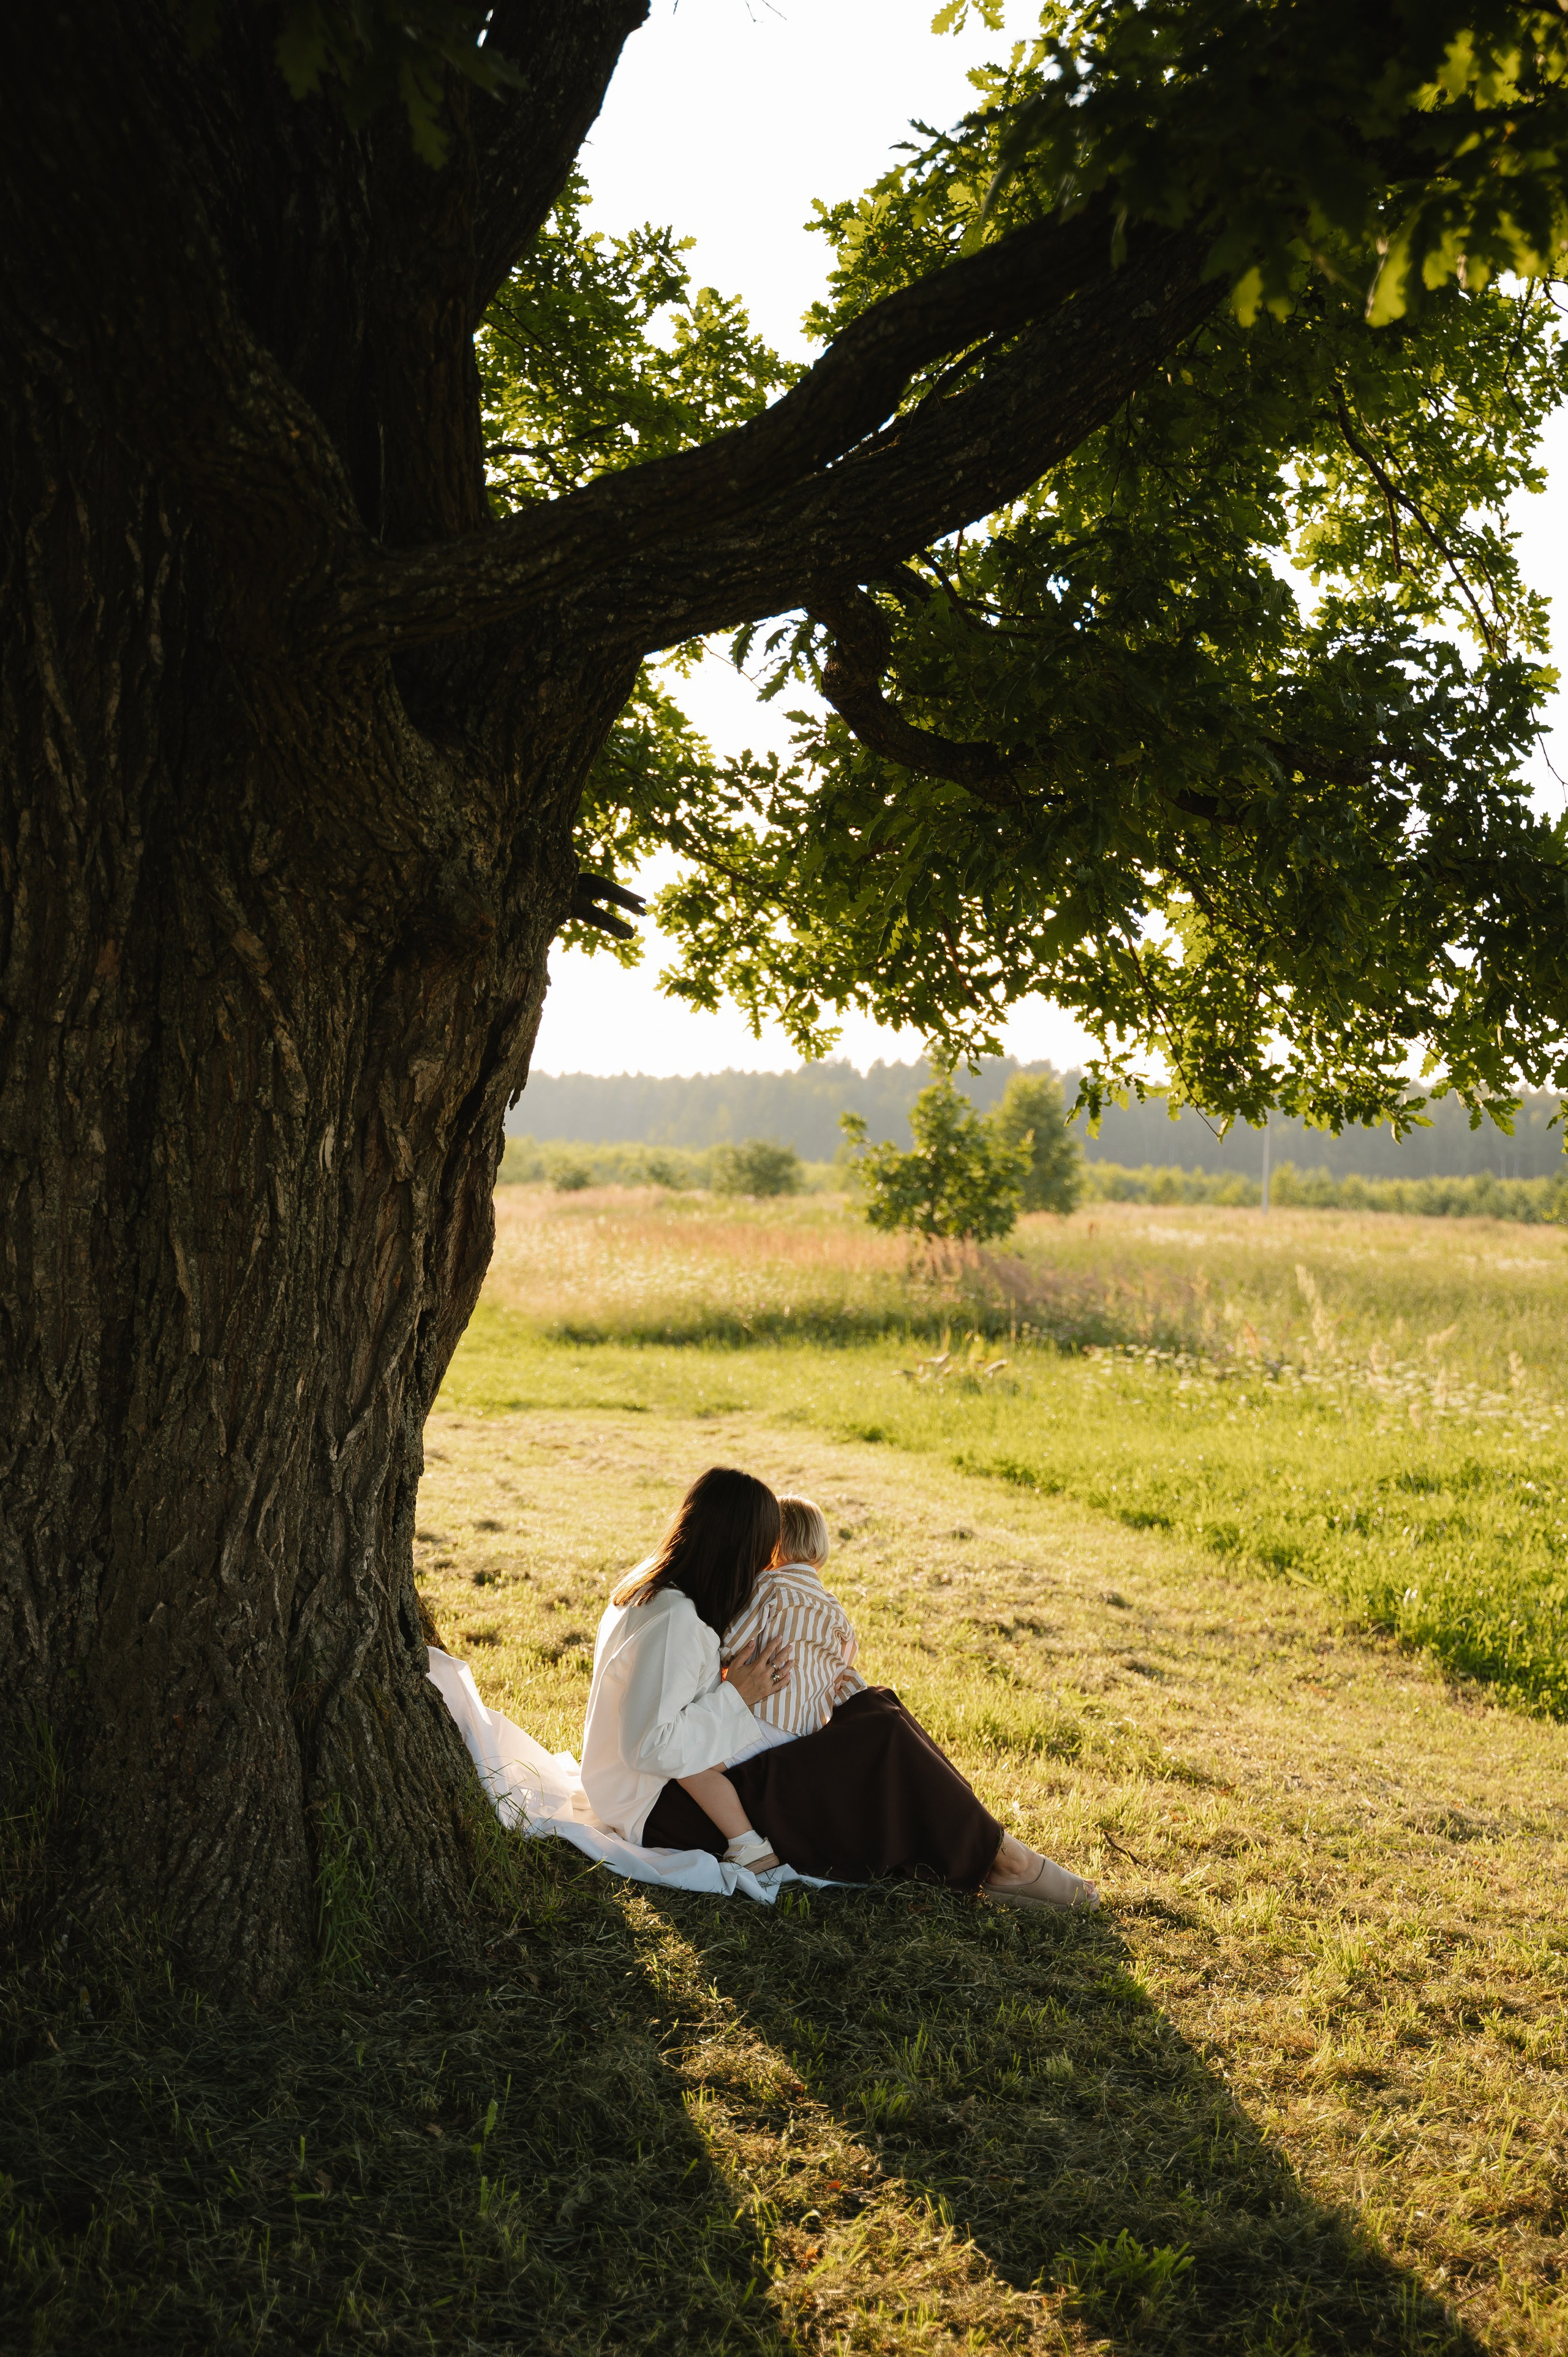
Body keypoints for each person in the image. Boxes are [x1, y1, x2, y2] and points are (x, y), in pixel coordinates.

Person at [579, 1466, 1098, 1909]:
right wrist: (739, 1694)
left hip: (680, 1779)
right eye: (764, 1555)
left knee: (879, 1710)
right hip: (662, 1809)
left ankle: (997, 1847)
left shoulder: (658, 1588)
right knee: (882, 1740)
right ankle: (1007, 1860)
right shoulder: (676, 1618)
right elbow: (650, 1747)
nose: (767, 1569)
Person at [720, 1493, 864, 1735]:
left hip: (762, 1715)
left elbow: (733, 1643)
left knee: (694, 1769)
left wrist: (721, 1658)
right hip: (809, 1727)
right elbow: (846, 1659)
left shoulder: (770, 1584)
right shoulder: (834, 1607)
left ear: (771, 1541)